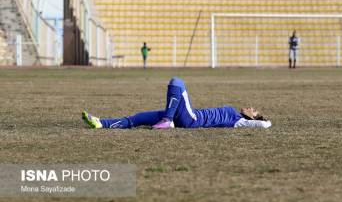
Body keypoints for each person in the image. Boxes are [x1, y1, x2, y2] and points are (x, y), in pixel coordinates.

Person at [82, 77, 272, 129]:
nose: (250, 107)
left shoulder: (240, 121)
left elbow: (263, 125)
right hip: (185, 117)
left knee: (177, 82)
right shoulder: (235, 114)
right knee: (138, 118)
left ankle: (167, 120)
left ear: (251, 117)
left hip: (192, 120)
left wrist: (264, 120)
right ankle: (101, 123)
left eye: (253, 110)